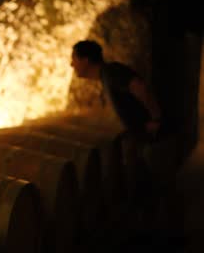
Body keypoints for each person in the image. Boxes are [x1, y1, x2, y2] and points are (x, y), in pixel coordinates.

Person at [70, 40, 179, 243]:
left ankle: (172, 238)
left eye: (74, 59)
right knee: (149, 190)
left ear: (86, 60)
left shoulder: (112, 72)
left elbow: (140, 87)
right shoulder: (106, 77)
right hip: (145, 141)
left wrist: (156, 118)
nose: (71, 64)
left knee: (163, 189)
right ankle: (158, 237)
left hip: (156, 139)